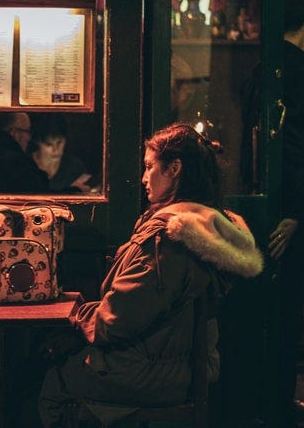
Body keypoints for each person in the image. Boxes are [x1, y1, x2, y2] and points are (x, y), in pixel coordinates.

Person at [37, 123, 264, 427]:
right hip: (185, 365)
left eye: (149, 167)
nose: (144, 178)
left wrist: (76, 318)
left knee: (48, 381)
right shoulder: (210, 223)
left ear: (174, 168)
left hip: (149, 372)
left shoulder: (169, 238)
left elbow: (115, 322)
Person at [241, 0, 304, 426]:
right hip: (287, 213)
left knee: (266, 313)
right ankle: (277, 406)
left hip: (265, 205)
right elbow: (293, 146)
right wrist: (293, 210)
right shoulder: (298, 71)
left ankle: (264, 402)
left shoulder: (264, 68)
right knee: (284, 314)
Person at [29, 113, 94, 194]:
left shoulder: (75, 167)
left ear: (65, 139)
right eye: (49, 144)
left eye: (59, 142)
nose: (55, 149)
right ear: (37, 142)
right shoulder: (26, 165)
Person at [0, 111, 50, 193]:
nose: (29, 138)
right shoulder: (17, 163)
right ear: (13, 133)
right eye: (27, 131)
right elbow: (37, 192)